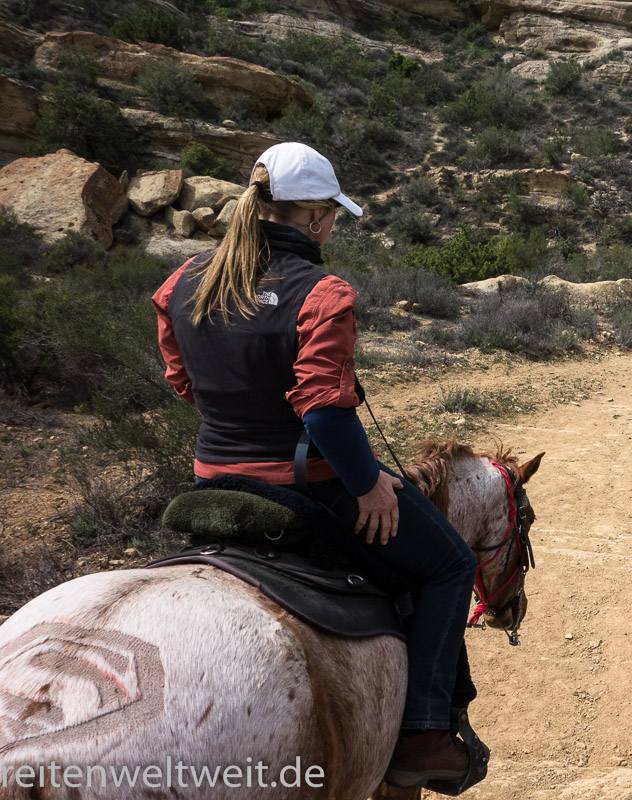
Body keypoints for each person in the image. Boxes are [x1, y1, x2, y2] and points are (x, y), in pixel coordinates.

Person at [152, 142, 475, 789]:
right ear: (315, 217)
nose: (330, 226)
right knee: (451, 564)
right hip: (307, 489)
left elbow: (183, 383)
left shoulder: (184, 281)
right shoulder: (321, 292)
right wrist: (367, 486)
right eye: (330, 215)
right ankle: (423, 731)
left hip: (210, 480)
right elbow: (324, 415)